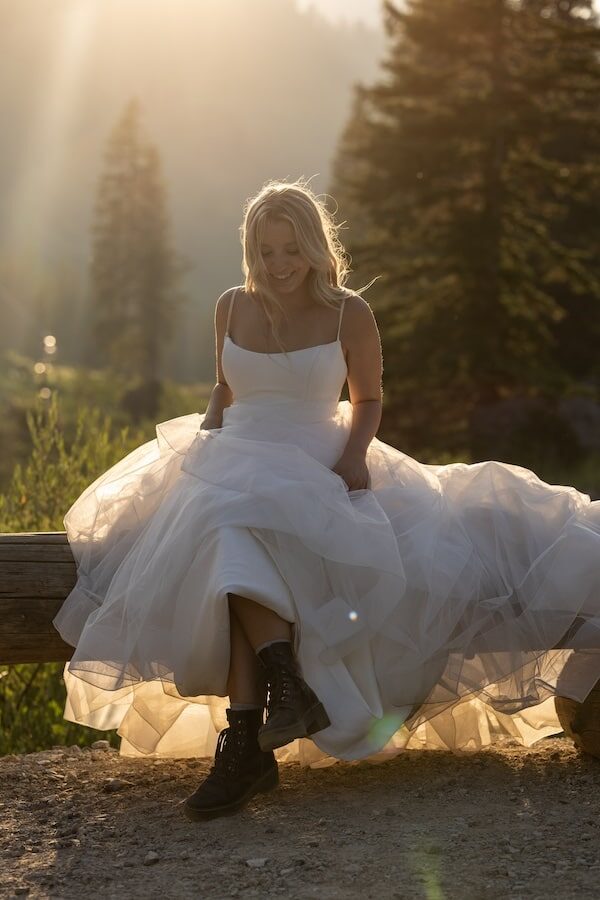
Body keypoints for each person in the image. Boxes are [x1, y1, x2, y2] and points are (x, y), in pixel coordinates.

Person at [53, 178, 600, 823]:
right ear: (251, 251)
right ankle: (282, 688)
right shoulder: (231, 305)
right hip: (237, 452)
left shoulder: (349, 313)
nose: (279, 265)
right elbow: (224, 389)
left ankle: (247, 738)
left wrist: (352, 457)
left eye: (291, 250)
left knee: (231, 538)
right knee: (222, 525)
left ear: (315, 247)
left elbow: (367, 400)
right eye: (266, 252)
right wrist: (201, 445)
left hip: (316, 456)